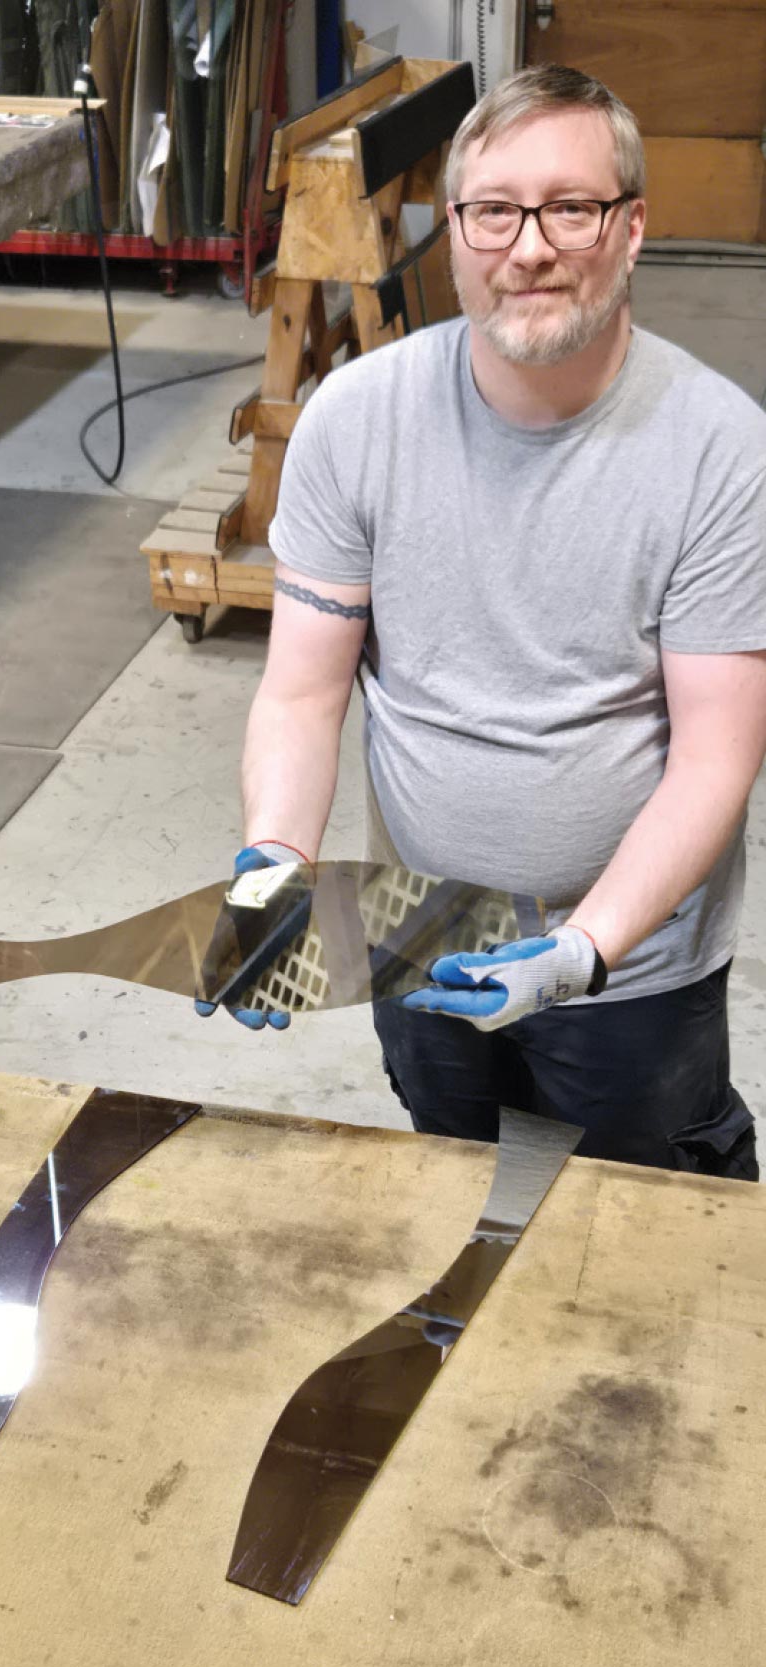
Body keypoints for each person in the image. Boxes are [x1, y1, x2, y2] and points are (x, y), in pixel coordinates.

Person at [198, 63, 766, 1180]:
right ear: (452, 227)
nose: (530, 247)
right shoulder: (355, 425)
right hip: (419, 936)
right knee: (454, 1186)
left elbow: (716, 755)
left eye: (571, 207)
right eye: (493, 210)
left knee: (641, 1216)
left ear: (632, 226)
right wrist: (275, 862)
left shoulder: (719, 451)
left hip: (631, 972)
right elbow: (304, 693)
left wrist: (579, 953)